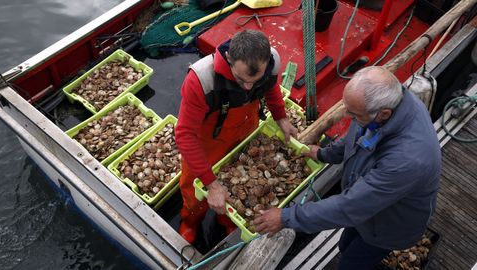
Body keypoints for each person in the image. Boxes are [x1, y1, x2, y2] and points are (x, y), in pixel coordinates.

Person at [253, 66, 441, 269]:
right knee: (345, 245)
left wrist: (286, 217)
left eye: (353, 114)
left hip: (390, 226)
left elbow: (350, 206)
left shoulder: (406, 161)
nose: (346, 116)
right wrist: (324, 153)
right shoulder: (391, 106)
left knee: (351, 263)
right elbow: (360, 134)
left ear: (384, 114)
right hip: (368, 213)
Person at [175, 29, 298, 244]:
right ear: (229, 59)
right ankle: (190, 221)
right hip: (207, 143)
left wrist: (281, 118)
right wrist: (212, 185)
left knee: (234, 188)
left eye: (254, 80)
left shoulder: (271, 62)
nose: (249, 86)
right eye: (241, 80)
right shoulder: (201, 80)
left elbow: (271, 89)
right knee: (193, 189)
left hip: (245, 131)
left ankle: (227, 221)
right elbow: (185, 135)